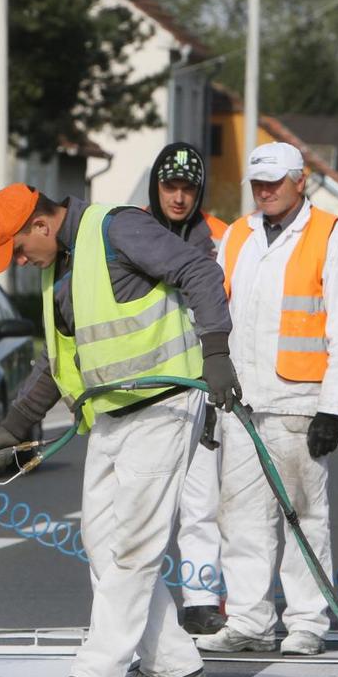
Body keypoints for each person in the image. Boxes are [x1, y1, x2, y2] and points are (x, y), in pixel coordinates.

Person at [0, 183, 240, 677]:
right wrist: (17, 424)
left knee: (134, 546)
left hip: (165, 403)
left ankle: (94, 675)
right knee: (100, 543)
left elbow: (200, 271)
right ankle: (174, 666)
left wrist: (216, 351)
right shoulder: (62, 266)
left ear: (42, 225)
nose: (22, 262)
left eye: (21, 249)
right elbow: (59, 359)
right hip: (110, 416)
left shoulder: (117, 228)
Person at [197, 142, 338, 657]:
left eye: (274, 182)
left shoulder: (329, 236)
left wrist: (333, 409)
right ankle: (248, 620)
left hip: (297, 401)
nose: (265, 191)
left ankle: (308, 622)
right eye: (257, 184)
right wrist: (209, 396)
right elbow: (215, 316)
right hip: (241, 402)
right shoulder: (239, 236)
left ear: (300, 181)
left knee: (303, 515)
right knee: (240, 513)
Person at [146, 143, 228, 636]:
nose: (178, 198)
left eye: (188, 189)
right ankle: (144, 599)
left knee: (201, 501)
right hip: (147, 385)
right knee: (147, 504)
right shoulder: (133, 231)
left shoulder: (216, 238)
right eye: (170, 187)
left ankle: (200, 598)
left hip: (200, 383)